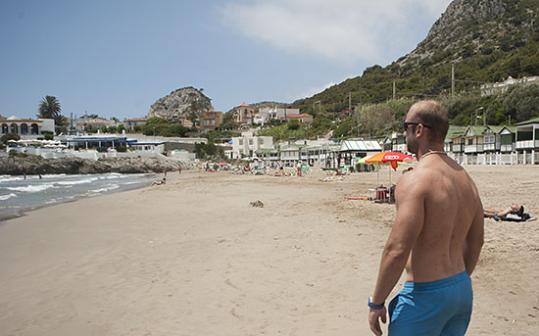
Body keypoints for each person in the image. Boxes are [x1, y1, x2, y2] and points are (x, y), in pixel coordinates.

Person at [368, 100, 484, 336]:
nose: (404, 132)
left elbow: (397, 249)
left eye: (406, 126)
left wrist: (377, 302)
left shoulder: (416, 180)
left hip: (425, 295)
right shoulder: (466, 180)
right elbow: (476, 241)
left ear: (419, 130)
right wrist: (456, 282)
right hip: (461, 290)